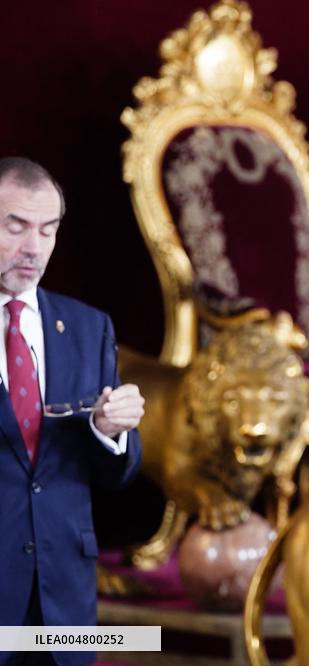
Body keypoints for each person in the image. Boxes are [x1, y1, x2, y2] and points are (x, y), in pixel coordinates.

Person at [0, 157, 144, 666]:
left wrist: (109, 430)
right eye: (15, 227)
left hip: (63, 604)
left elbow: (116, 474)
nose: (33, 247)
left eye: (48, 230)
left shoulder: (88, 327)